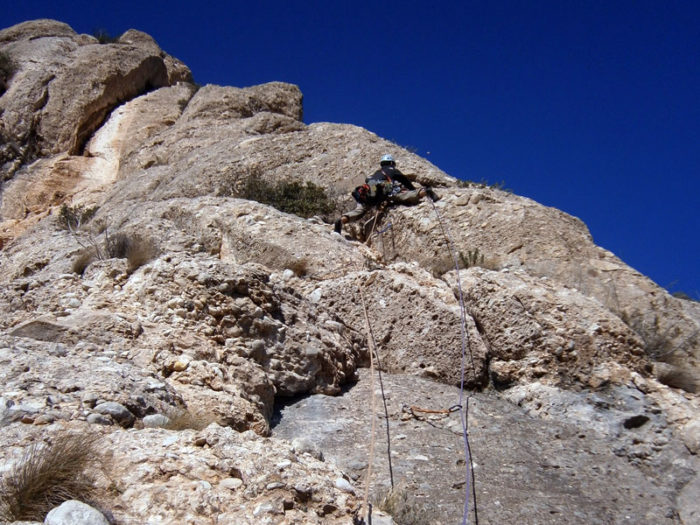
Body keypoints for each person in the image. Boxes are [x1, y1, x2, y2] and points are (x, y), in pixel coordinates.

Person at [334, 154, 438, 233]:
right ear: (392, 163)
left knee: (360, 210)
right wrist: (415, 190)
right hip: (383, 194)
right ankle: (426, 192)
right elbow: (406, 182)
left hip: (368, 195)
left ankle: (342, 220)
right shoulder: (393, 170)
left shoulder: (377, 173)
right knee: (402, 196)